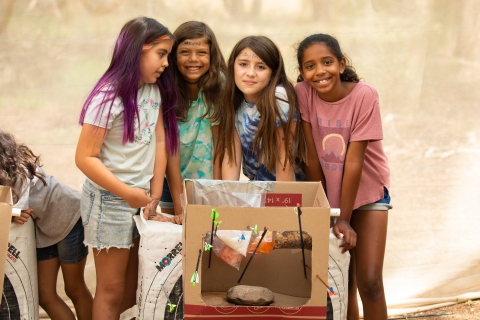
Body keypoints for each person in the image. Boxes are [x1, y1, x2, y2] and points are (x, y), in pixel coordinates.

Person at [75, 17, 179, 319]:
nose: (167, 64)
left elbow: (160, 140)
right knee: (111, 289)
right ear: (139, 50)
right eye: (161, 54)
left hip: (139, 199)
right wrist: (128, 194)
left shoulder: (152, 90)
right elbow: (84, 158)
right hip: (109, 203)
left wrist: (154, 193)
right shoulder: (107, 97)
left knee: (130, 287)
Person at [295, 33, 391, 320]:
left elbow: (354, 160)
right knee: (341, 282)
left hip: (368, 191)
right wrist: (324, 208)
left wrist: (344, 218)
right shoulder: (303, 92)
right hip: (330, 195)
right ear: (302, 72)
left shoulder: (364, 95)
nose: (319, 71)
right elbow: (311, 156)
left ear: (341, 63)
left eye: (327, 62)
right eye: (310, 66)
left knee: (370, 281)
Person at [0, 131, 93, 320]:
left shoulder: (19, 172)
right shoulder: (7, 176)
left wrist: (11, 213)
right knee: (45, 294)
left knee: (74, 288)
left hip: (69, 220)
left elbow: (18, 212)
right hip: (45, 231)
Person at [157, 21, 226, 217]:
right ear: (173, 54)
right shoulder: (165, 89)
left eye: (201, 52)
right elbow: (170, 151)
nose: (193, 59)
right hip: (171, 179)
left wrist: (217, 191)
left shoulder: (218, 86)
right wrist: (180, 208)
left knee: (208, 236)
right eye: (185, 52)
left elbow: (220, 147)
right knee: (176, 237)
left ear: (211, 56)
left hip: (209, 180)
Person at [216, 35, 306, 181]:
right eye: (243, 64)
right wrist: (228, 199)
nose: (250, 73)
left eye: (261, 67)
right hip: (259, 189)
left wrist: (284, 202)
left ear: (273, 73)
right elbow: (231, 158)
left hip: (287, 190)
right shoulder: (233, 99)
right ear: (233, 66)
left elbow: (284, 161)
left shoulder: (278, 98)